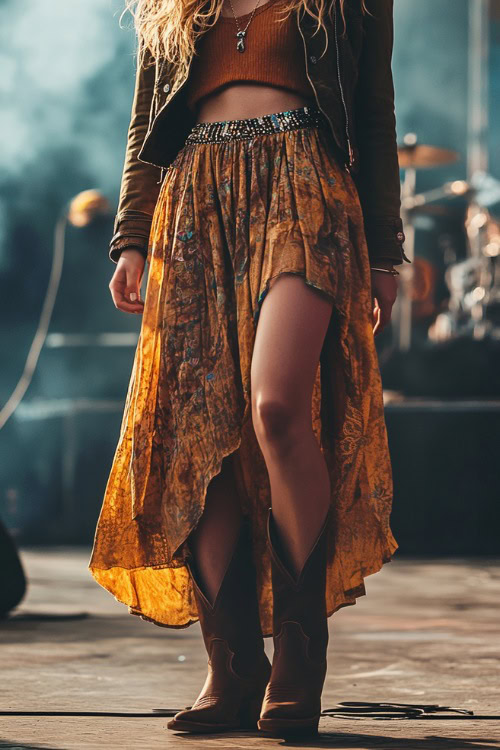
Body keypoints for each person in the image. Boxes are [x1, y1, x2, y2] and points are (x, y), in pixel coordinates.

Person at [89, 0, 408, 738]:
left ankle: (299, 657)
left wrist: (385, 250)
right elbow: (146, 124)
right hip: (195, 195)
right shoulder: (173, 6)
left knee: (275, 408)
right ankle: (231, 666)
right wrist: (132, 236)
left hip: (306, 189)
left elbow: (374, 116)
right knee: (200, 432)